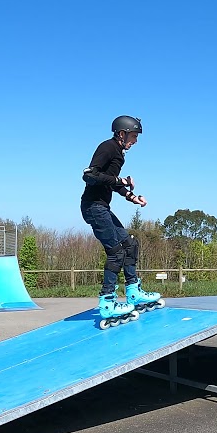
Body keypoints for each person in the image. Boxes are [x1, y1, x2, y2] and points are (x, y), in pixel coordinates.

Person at [81, 115, 162, 321]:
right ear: (121, 133)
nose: (135, 141)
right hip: (93, 207)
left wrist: (130, 196)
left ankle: (133, 292)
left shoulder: (119, 153)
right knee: (115, 252)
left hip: (102, 207)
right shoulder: (107, 147)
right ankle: (107, 302)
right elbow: (90, 175)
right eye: (134, 136)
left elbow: (110, 183)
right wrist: (121, 179)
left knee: (129, 244)